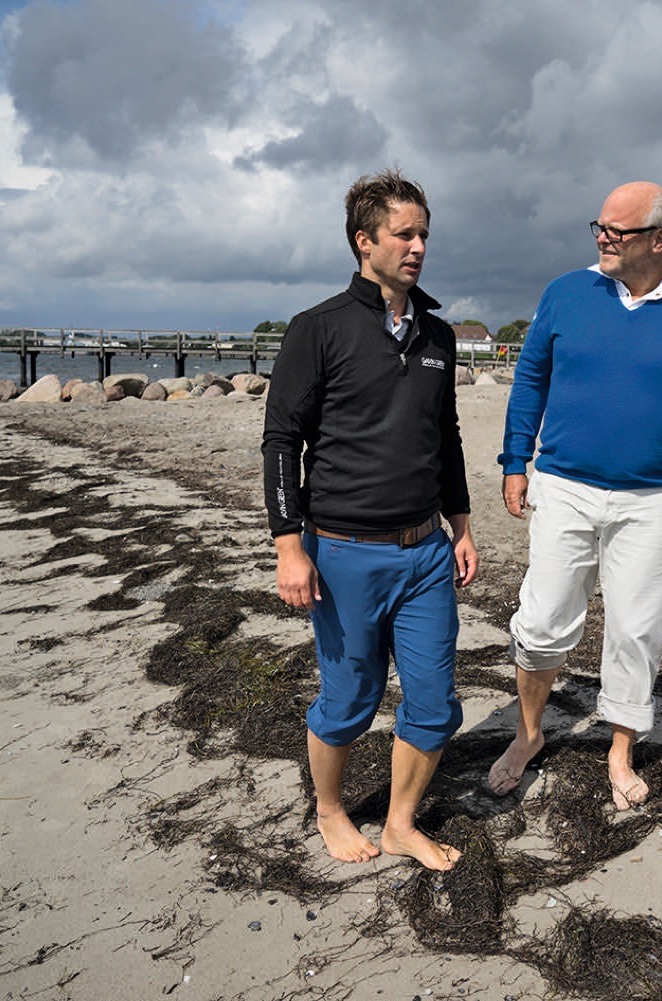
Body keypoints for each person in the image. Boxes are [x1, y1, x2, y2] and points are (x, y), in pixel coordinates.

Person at [489, 181, 662, 810]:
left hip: (651, 501)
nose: (603, 238)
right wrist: (514, 461)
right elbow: (530, 379)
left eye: (618, 229)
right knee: (542, 623)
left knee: (636, 632)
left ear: (659, 240)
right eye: (600, 227)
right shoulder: (565, 293)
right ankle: (529, 734)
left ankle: (619, 750)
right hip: (564, 487)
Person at [261, 169, 477, 871]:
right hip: (343, 552)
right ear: (365, 241)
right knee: (349, 696)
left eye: (424, 235)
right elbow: (281, 443)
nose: (417, 246)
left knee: (436, 700)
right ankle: (329, 808)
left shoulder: (438, 335)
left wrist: (463, 524)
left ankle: (400, 822)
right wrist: (288, 546)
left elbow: (444, 439)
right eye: (403, 234)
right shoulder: (317, 329)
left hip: (425, 554)